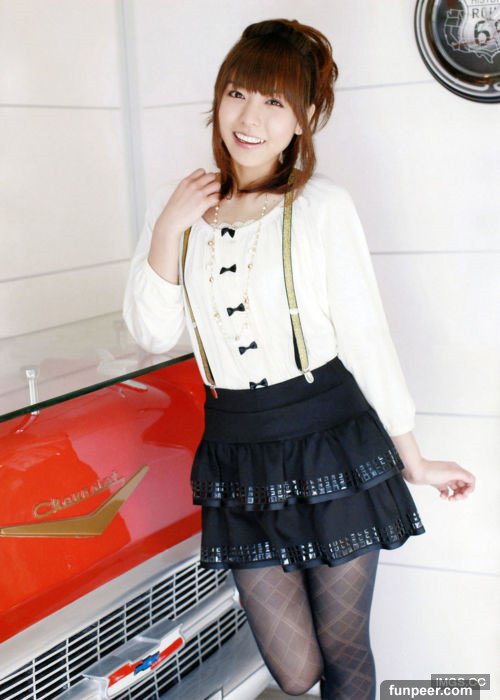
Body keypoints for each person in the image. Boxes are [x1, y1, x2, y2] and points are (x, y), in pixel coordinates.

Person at [123, 18, 476, 700]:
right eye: (237, 93)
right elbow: (153, 332)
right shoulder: (179, 206)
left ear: (305, 118)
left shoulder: (321, 207)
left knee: (344, 650)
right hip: (238, 449)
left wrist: (414, 457)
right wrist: (168, 228)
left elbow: (366, 335)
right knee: (296, 671)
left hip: (330, 440)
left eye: (274, 101)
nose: (249, 118)